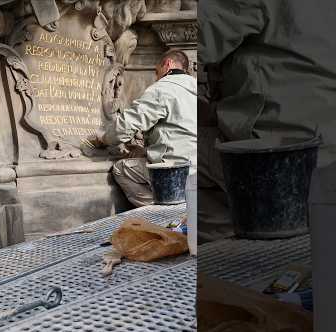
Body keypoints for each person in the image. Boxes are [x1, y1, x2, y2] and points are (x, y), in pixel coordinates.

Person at [198, 0, 336, 242]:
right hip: (324, 149)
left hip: (283, 159)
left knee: (177, 156)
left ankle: (233, 245)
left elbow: (199, 35)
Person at [91, 50, 197, 207]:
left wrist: (104, 138)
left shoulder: (162, 88)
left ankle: (163, 213)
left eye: (156, 71)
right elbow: (180, 135)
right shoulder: (195, 87)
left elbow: (127, 125)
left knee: (121, 169)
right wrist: (146, 152)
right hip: (198, 169)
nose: (157, 77)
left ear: (167, 64)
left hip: (177, 172)